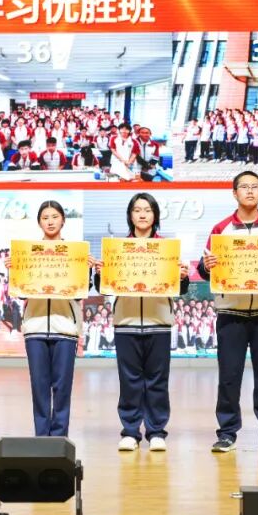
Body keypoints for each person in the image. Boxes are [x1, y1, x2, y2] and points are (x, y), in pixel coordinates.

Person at [198, 171, 258, 453]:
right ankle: (227, 433)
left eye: (255, 187)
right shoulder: (221, 230)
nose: (250, 191)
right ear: (235, 193)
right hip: (231, 314)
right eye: (244, 187)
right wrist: (207, 266)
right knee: (229, 377)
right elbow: (205, 269)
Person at [95, 193, 190, 451]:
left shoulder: (166, 249)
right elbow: (103, 287)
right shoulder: (118, 249)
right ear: (130, 215)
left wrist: (182, 276)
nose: (142, 215)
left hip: (159, 321)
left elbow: (179, 289)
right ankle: (130, 431)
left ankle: (156, 431)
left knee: (157, 380)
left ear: (155, 215)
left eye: (147, 210)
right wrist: (101, 273)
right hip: (125, 322)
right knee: (129, 380)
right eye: (137, 210)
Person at [8, 201, 95, 436]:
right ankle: (41, 436)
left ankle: (59, 437)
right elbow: (21, 292)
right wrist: (15, 270)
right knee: (39, 386)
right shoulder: (28, 254)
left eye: (55, 216)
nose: (50, 221)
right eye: (45, 217)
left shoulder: (75, 254)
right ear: (39, 222)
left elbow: (81, 292)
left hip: (65, 327)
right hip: (35, 327)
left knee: (62, 387)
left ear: (63, 220)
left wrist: (86, 269)